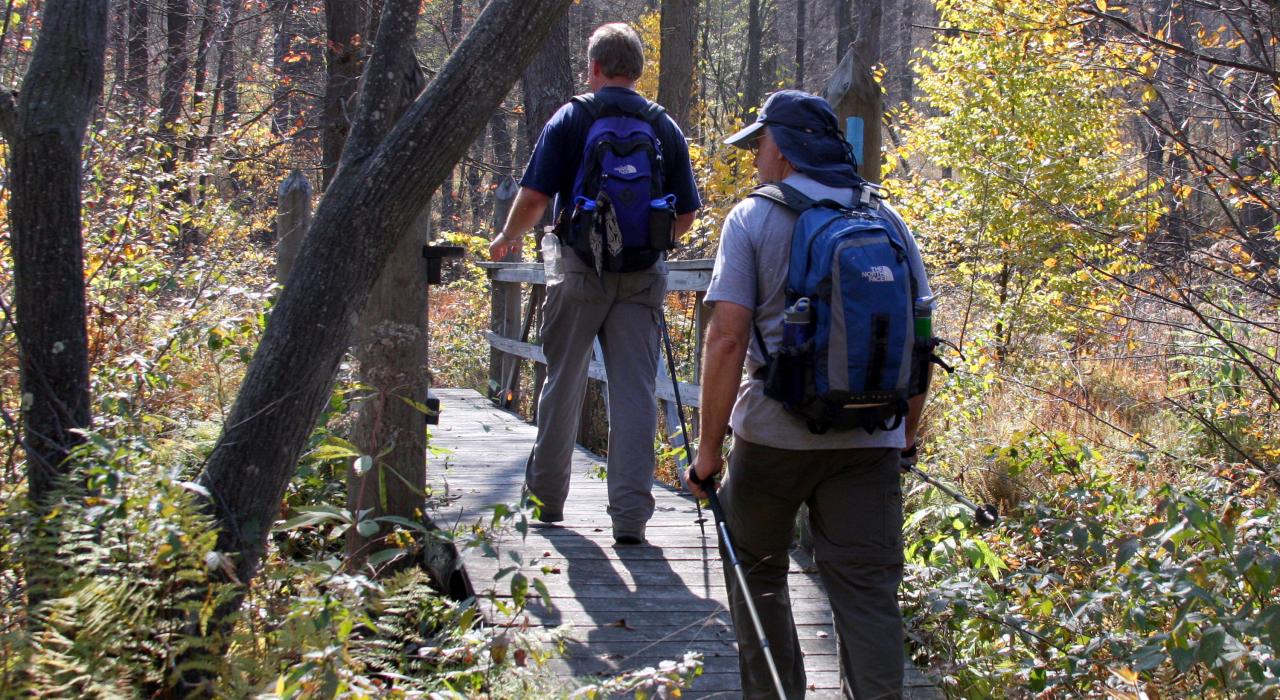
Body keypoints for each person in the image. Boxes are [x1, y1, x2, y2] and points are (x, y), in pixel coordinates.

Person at [686, 90, 933, 699]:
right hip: (870, 439)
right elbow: (921, 337)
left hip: (772, 439)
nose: (756, 159)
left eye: (761, 145)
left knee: (760, 575)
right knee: (867, 591)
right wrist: (905, 434)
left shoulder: (752, 219)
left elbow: (726, 340)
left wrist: (708, 452)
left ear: (787, 151)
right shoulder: (888, 219)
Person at [488, 23, 701, 546]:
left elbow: (537, 196)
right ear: (638, 70)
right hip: (642, 279)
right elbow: (688, 212)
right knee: (635, 395)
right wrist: (647, 243)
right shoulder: (663, 125)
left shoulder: (573, 117)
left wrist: (507, 235)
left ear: (595, 67)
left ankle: (547, 502)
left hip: (580, 272)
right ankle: (630, 519)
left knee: (563, 381)